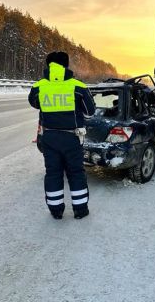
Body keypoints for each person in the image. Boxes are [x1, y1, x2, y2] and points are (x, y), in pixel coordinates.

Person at [29, 51, 96, 219]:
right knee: (76, 172)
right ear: (66, 65)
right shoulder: (78, 87)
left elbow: (34, 103)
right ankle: (80, 210)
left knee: (53, 173)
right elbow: (90, 112)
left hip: (49, 138)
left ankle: (56, 211)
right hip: (72, 137)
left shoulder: (39, 86)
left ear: (48, 65)